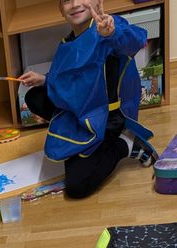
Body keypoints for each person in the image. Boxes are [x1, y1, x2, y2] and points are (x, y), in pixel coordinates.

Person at [19, 0, 157, 199]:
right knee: (34, 96)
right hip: (81, 109)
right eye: (67, 1)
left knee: (77, 187)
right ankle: (80, 142)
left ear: (98, 1)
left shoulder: (108, 27)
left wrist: (112, 33)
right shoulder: (66, 43)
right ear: (60, 10)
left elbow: (136, 41)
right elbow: (70, 79)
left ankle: (125, 144)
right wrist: (44, 79)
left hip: (105, 118)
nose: (74, 4)